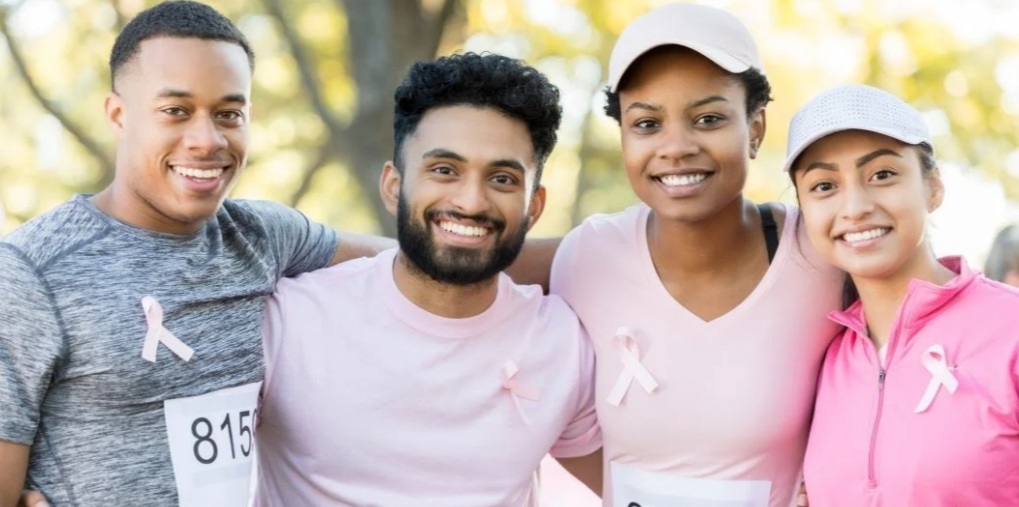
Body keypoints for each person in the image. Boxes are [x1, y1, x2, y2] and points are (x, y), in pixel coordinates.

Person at [0, 2, 387, 506]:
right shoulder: (29, 272)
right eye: (176, 111)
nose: (207, 140)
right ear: (119, 115)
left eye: (229, 114)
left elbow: (419, 264)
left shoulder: (262, 236)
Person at [528, 3, 845, 506]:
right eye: (647, 124)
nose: (675, 147)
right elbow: (459, 264)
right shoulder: (588, 257)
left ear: (756, 129)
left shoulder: (821, 257)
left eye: (708, 118)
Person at [252, 52, 601, 506]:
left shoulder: (562, 342)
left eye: (501, 178)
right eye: (444, 170)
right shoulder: (290, 319)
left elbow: (637, 481)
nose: (471, 201)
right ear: (393, 186)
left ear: (533, 206)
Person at [787, 84, 1019, 505]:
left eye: (882, 175)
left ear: (932, 188)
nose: (854, 206)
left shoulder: (1011, 330)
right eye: (824, 186)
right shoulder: (824, 356)